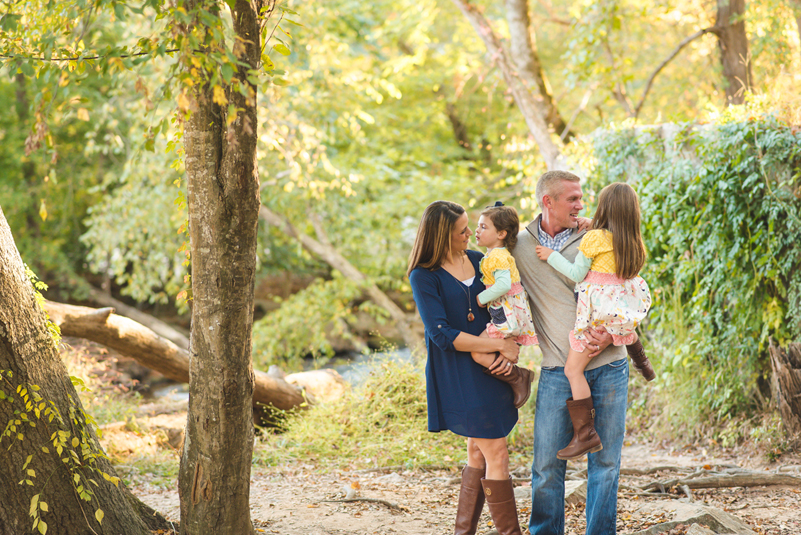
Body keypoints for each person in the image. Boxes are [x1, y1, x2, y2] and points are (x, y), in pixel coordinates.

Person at [513, 170, 627, 535]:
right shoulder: (518, 247)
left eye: (582, 197)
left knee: (606, 463)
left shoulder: (599, 237)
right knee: (546, 466)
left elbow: (631, 293)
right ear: (548, 202)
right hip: (557, 369)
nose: (581, 204)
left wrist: (611, 336)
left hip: (610, 365)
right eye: (573, 199)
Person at [408, 200, 524, 535]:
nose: (470, 233)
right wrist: (496, 346)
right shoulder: (424, 276)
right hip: (458, 373)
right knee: (497, 454)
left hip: (491, 370)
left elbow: (503, 304)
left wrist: (508, 343)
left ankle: (464, 532)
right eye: (462, 230)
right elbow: (441, 334)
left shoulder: (478, 260)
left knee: (477, 451)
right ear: (443, 235)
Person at [535, 182, 654, 461]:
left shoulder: (594, 239)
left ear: (604, 208)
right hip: (618, 311)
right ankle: (643, 363)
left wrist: (551, 256)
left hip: (596, 315)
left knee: (573, 371)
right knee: (622, 337)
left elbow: (577, 273)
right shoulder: (631, 242)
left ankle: (585, 434)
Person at [471, 202, 538, 408]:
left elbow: (503, 284)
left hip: (507, 313)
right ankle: (513, 381)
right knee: (495, 352)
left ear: (501, 233)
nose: (477, 230)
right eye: (479, 225)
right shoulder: (494, 254)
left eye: (484, 227)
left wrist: (482, 298)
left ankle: (519, 378)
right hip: (508, 311)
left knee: (478, 352)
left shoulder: (498, 255)